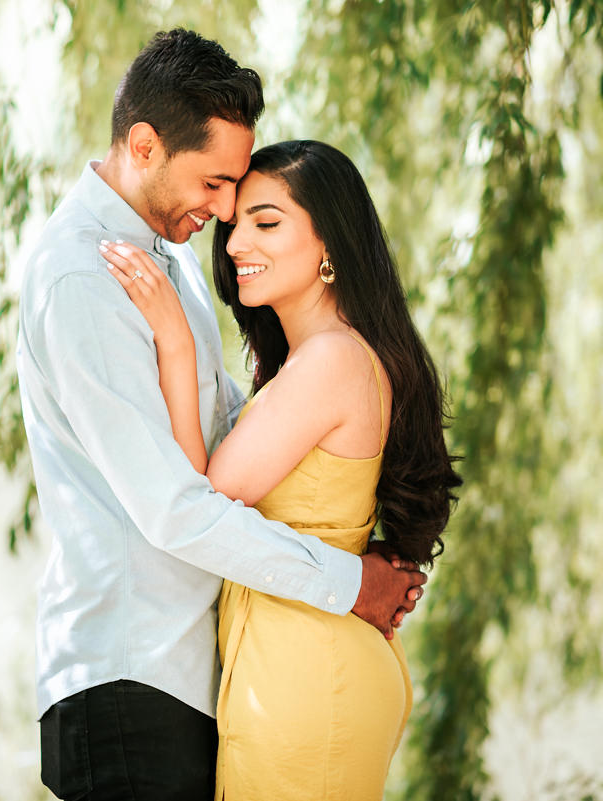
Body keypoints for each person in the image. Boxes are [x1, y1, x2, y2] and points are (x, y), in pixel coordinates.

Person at [16, 29, 429, 800]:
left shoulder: (168, 268)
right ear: (144, 145)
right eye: (213, 183)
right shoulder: (82, 278)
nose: (224, 209)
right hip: (127, 673)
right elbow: (176, 507)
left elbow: (235, 437)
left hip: (194, 678)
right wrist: (349, 581)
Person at [98, 139, 461, 799]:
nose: (235, 243)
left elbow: (199, 500)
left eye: (266, 222)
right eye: (235, 224)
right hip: (299, 663)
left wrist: (176, 342)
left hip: (307, 678)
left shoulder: (331, 360)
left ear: (331, 247)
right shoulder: (317, 364)